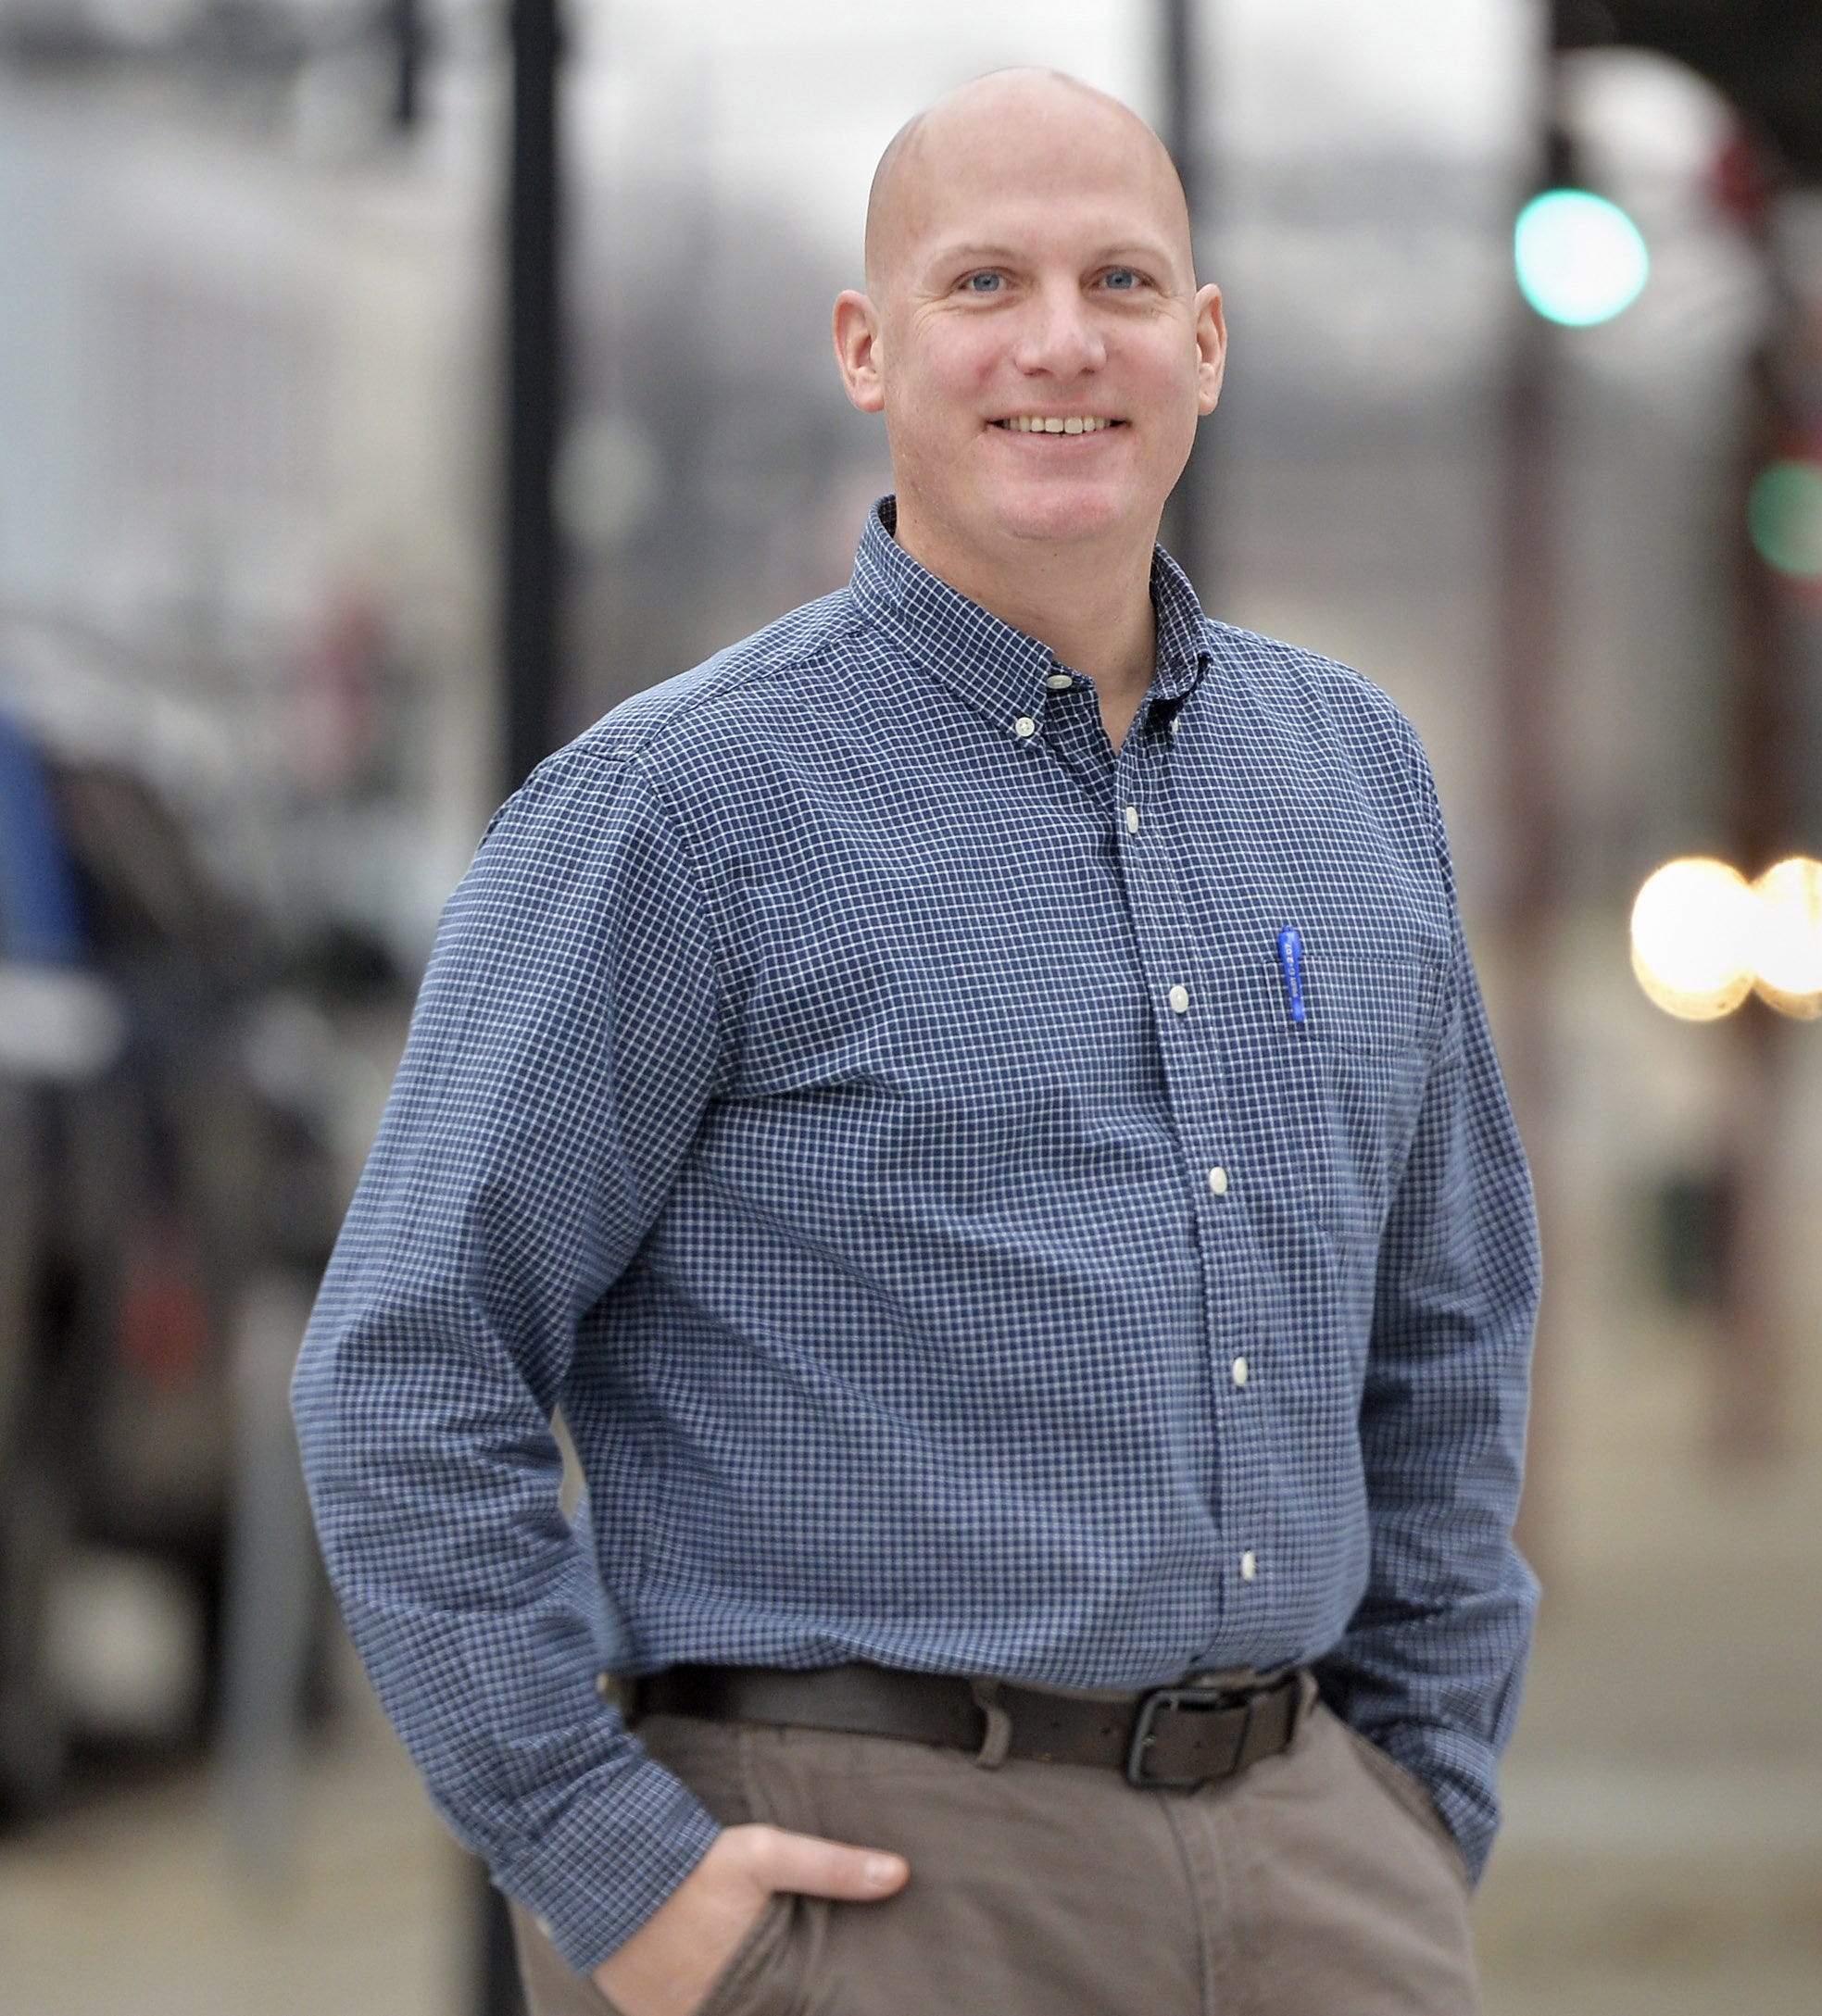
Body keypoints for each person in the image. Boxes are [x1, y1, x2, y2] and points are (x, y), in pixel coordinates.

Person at [292, 65, 1539, 2016]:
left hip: (1322, 1871)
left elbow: (1448, 1327)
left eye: (1123, 282)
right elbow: (409, 1367)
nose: (1064, 342)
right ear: (870, 349)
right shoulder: (678, 815)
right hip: (867, 1892)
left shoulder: (1352, 776)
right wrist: (612, 1873)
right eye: (987, 284)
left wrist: (1417, 1801)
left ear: (1204, 350)